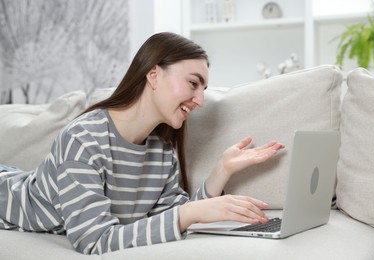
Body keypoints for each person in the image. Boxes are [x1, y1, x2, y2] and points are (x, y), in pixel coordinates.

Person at [0, 32, 284, 255]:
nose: (200, 100)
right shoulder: (84, 138)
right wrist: (188, 214)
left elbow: (172, 219)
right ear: (153, 74)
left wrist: (221, 171)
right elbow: (95, 241)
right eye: (193, 83)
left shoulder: (161, 151)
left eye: (203, 89)